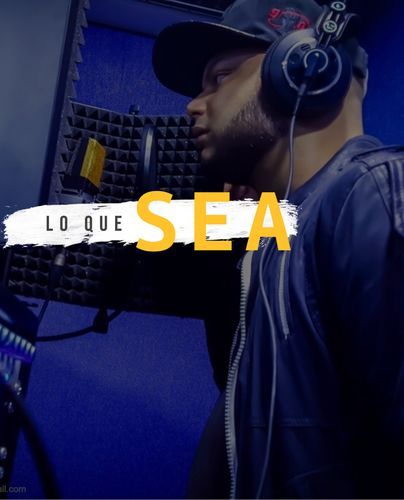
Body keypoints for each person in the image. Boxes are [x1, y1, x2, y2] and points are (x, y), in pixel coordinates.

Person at [153, 0, 404, 498]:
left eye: (219, 78)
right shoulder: (276, 245)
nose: (194, 106)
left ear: (303, 70)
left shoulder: (371, 197)